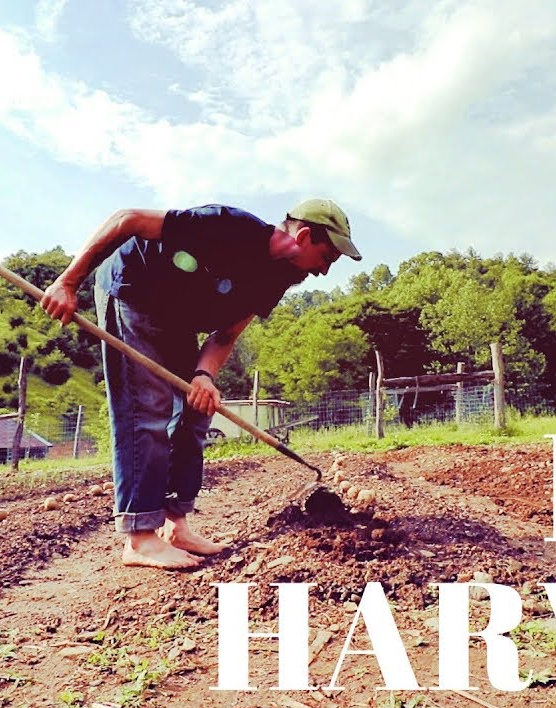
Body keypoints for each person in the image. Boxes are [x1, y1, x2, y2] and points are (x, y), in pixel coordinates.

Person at [40, 199, 360, 569]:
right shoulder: (227, 226)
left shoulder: (279, 277)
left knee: (196, 410)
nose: (324, 271)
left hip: (177, 318)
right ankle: (140, 538)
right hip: (132, 290)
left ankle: (175, 525)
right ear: (304, 235)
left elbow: (225, 335)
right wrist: (67, 281)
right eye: (327, 258)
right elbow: (127, 220)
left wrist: (204, 376)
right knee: (148, 409)